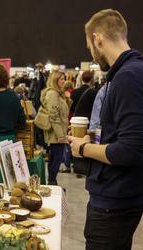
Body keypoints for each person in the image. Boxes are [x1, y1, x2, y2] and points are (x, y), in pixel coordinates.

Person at [68, 9, 143, 250]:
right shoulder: (129, 72)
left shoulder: (128, 77)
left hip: (114, 201)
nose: (91, 51)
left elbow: (130, 150)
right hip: (120, 196)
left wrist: (84, 148)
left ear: (98, 38)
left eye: (90, 45)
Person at [38, 70, 69, 185]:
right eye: (61, 79)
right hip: (56, 134)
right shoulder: (53, 94)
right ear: (55, 80)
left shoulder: (57, 93)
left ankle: (52, 182)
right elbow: (54, 116)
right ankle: (52, 183)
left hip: (58, 132)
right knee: (56, 159)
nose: (63, 81)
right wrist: (61, 135)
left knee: (54, 158)